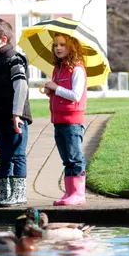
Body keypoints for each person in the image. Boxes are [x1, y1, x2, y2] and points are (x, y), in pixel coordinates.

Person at [0, 19, 32, 208]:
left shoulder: (14, 59)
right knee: (3, 156)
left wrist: (17, 114)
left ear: (3, 39)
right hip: (1, 117)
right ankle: (3, 194)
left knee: (17, 154)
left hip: (16, 117)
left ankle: (19, 194)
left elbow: (21, 87)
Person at [42, 33, 89, 206]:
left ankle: (78, 193)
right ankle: (69, 192)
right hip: (59, 120)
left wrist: (56, 87)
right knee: (66, 158)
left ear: (72, 47)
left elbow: (75, 95)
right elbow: (60, 93)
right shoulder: (58, 69)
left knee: (75, 157)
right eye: (55, 45)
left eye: (62, 45)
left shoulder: (77, 69)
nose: (58, 48)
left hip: (72, 122)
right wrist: (50, 91)